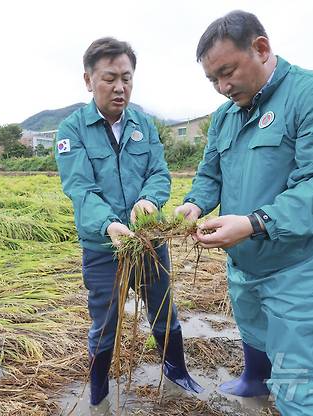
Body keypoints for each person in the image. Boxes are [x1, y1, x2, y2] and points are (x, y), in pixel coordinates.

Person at [174, 10, 313, 415]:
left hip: (299, 261)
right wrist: (193, 204)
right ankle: (255, 379)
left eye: (228, 72)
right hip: (245, 256)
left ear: (261, 48)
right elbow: (210, 175)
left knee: (301, 375)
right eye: (213, 80)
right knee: (255, 326)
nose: (223, 87)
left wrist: (254, 223)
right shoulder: (225, 116)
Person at [55, 37, 201, 413]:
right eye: (109, 78)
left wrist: (149, 201)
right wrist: (108, 225)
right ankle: (99, 389)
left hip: (148, 240)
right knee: (104, 317)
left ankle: (176, 371)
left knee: (163, 305)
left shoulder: (143, 125)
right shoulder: (71, 131)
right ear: (88, 80)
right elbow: (80, 189)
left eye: (127, 78)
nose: (120, 87)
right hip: (103, 245)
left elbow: (159, 173)